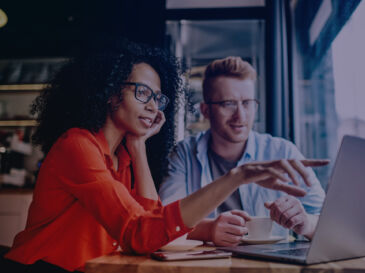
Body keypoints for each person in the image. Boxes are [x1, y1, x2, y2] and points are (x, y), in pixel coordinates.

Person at [2, 42, 327, 272]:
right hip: (42, 268)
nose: (154, 106)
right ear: (110, 92)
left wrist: (139, 146)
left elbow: (151, 227)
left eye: (158, 97)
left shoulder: (123, 158)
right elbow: (141, 232)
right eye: (142, 93)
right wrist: (236, 177)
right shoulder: (78, 146)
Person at [159, 56, 327, 247]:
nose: (241, 115)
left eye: (247, 103)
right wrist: (209, 230)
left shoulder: (282, 151)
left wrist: (306, 223)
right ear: (205, 111)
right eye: (228, 103)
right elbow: (163, 222)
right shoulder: (184, 153)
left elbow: (331, 223)